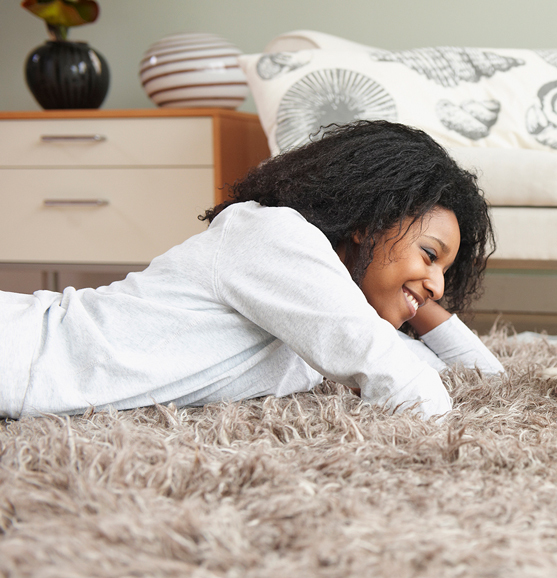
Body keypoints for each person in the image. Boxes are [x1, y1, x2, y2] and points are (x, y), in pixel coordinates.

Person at [0, 120, 503, 421]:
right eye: (431, 254)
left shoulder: (330, 312)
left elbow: (482, 379)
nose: (438, 284)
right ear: (368, 221)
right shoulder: (273, 236)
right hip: (25, 350)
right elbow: (411, 392)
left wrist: (418, 294)